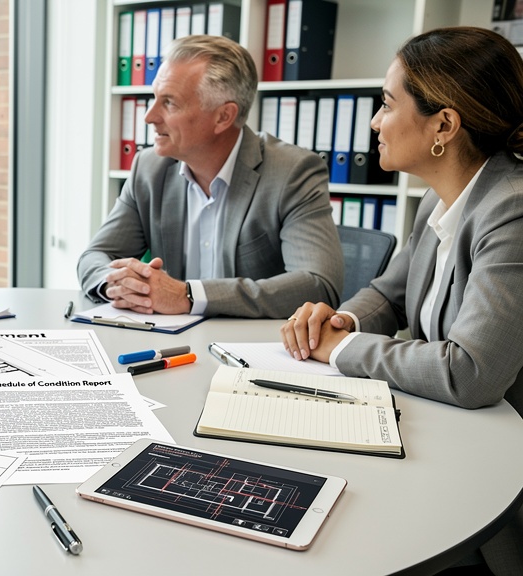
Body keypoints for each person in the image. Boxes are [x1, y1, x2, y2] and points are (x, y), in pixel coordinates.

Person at [280, 27, 523, 574]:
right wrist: (338, 319)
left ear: (444, 124)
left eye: (387, 104)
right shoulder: (441, 201)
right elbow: (388, 296)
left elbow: (471, 370)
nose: (373, 122)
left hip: (496, 482)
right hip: (448, 442)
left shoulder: (512, 211)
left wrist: (339, 351)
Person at [77, 35, 342, 319]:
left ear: (223, 117)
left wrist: (188, 296)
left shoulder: (292, 172)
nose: (149, 117)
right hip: (170, 345)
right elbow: (95, 257)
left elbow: (318, 285)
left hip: (251, 352)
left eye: (169, 103)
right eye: (154, 98)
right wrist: (119, 286)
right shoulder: (149, 167)